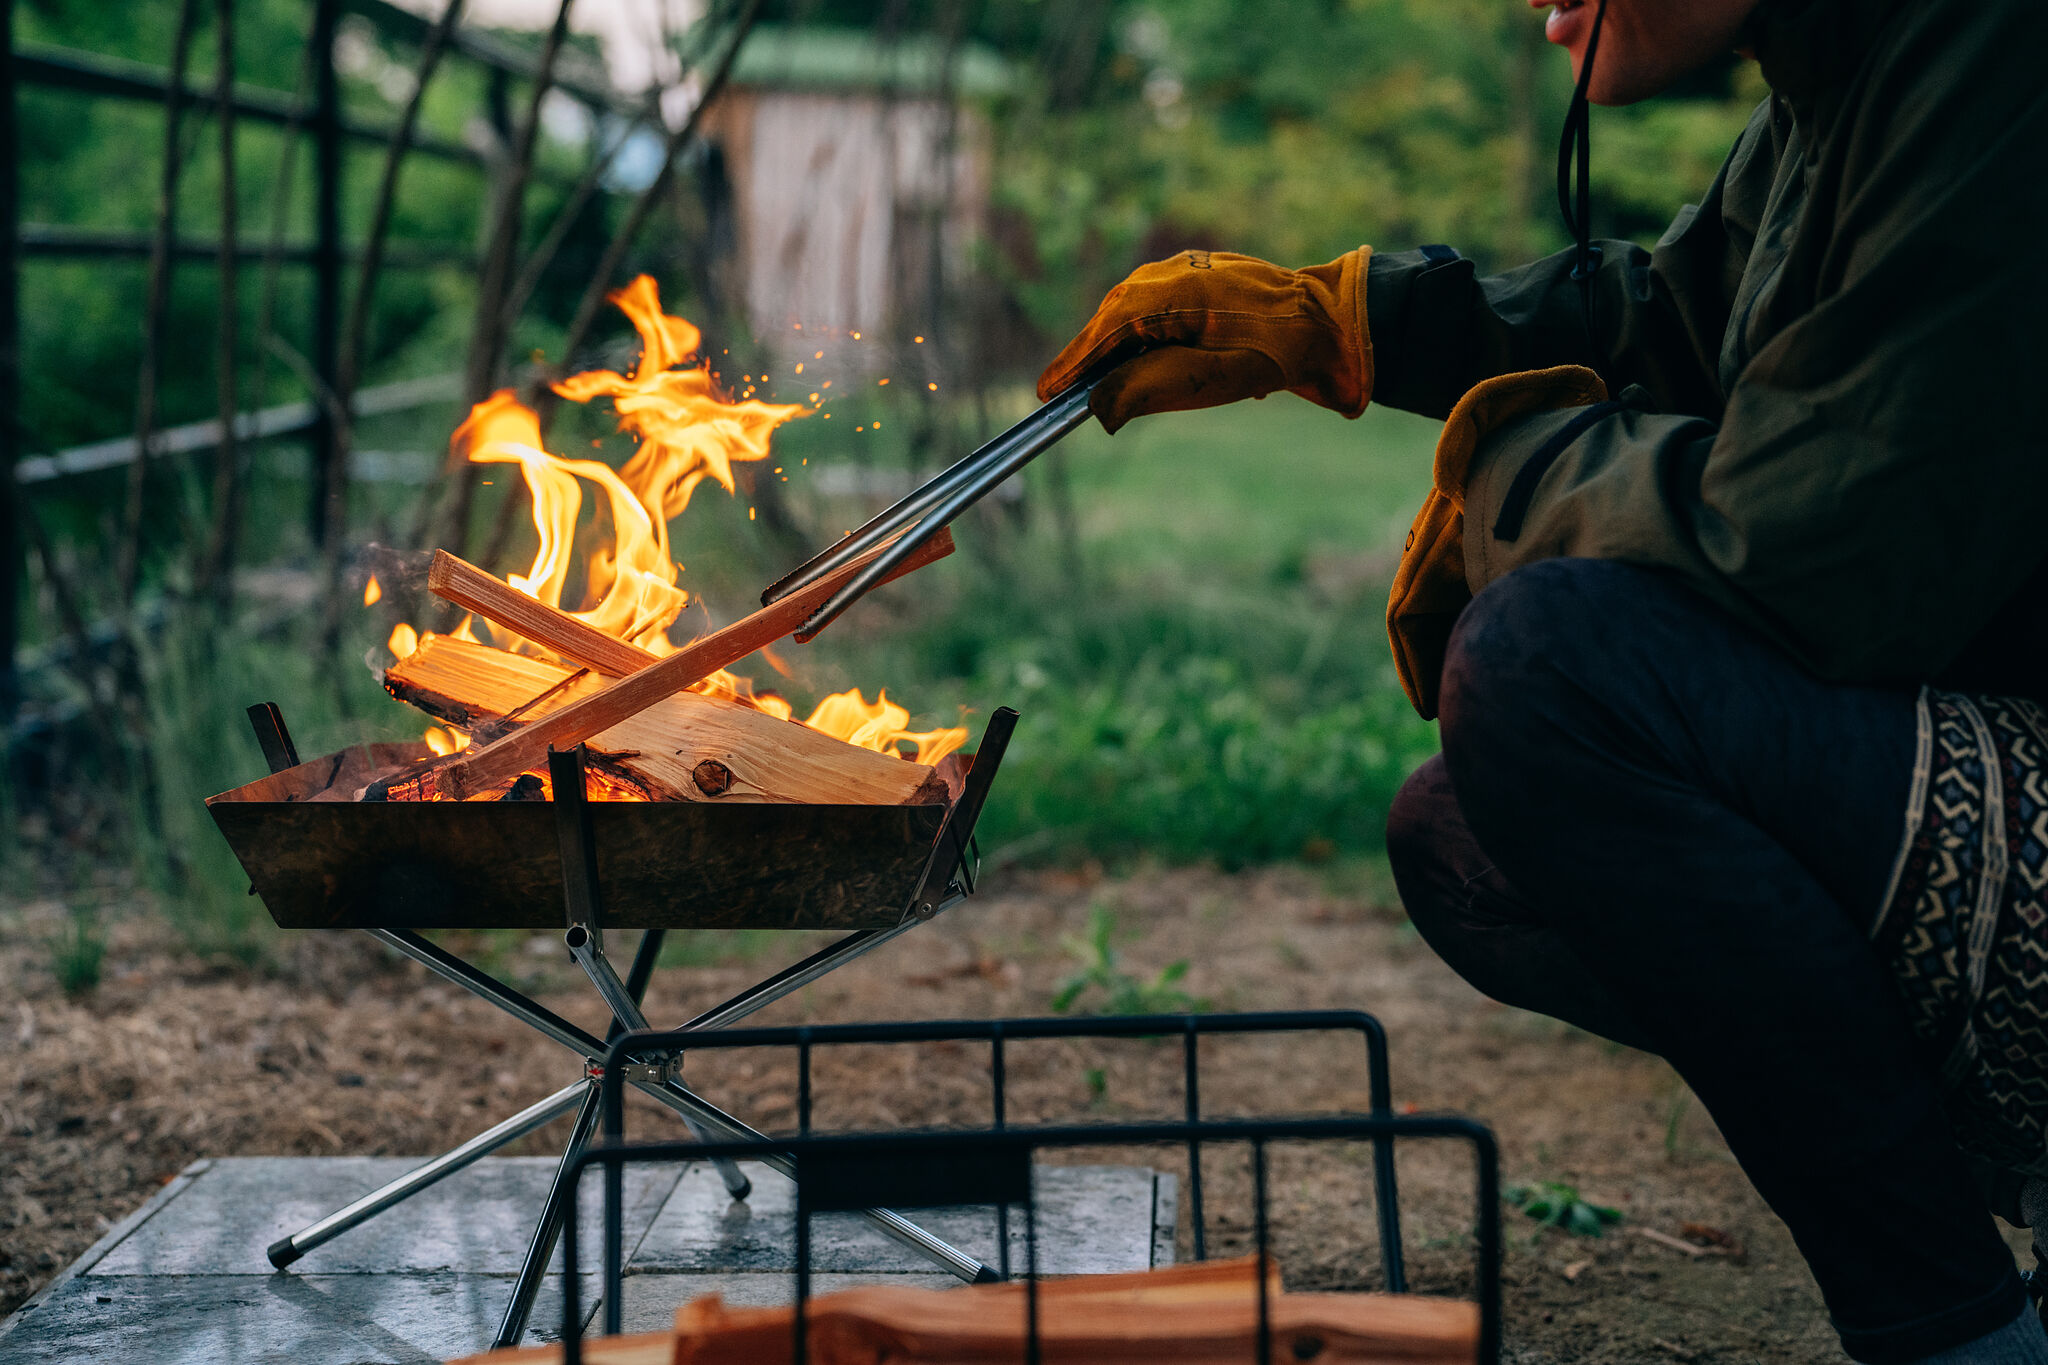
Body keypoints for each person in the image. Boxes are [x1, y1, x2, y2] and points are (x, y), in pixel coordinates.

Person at [1036, 0, 2048, 1361]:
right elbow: (1663, 317)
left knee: (1549, 668)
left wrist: (1498, 481)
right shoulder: (1838, 75)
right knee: (1459, 840)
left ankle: (1954, 1333)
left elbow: (1811, 544)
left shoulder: (1994, 52)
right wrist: (1339, 324)